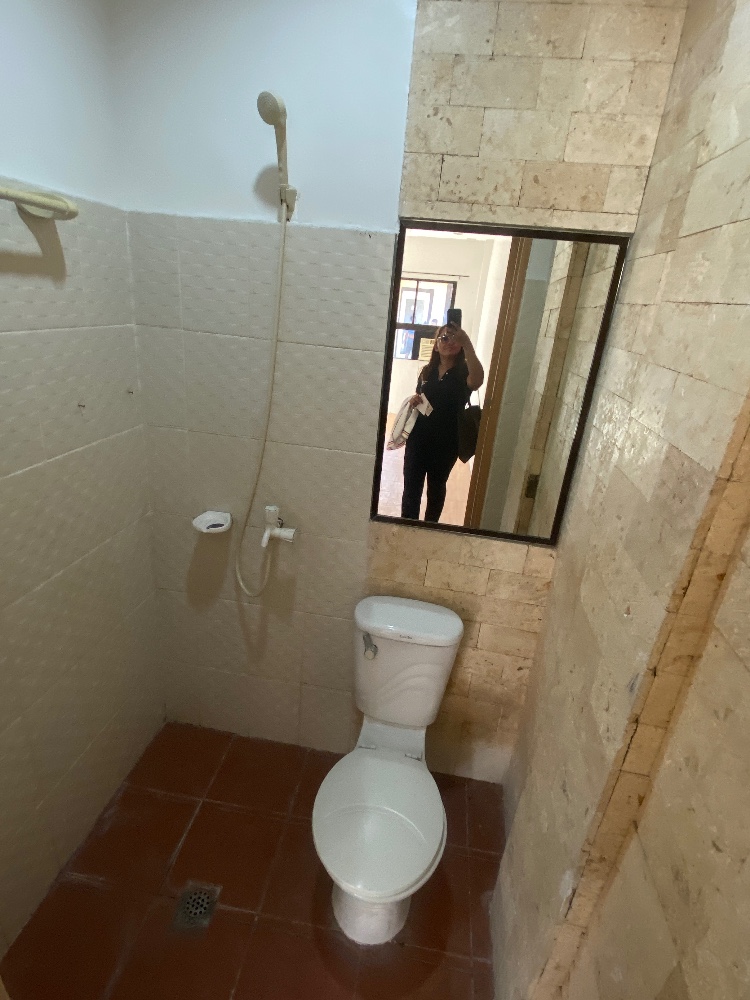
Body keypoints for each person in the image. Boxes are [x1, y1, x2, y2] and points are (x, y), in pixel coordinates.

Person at [400, 323, 484, 522]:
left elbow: (477, 381)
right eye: (444, 338)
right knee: (411, 487)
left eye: (454, 338)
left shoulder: (464, 372)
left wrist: (468, 344)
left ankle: (430, 528)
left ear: (460, 344)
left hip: (446, 443)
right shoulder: (426, 371)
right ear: (436, 346)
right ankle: (407, 526)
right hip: (418, 438)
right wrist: (414, 400)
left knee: (436, 488)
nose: (449, 342)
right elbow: (420, 396)